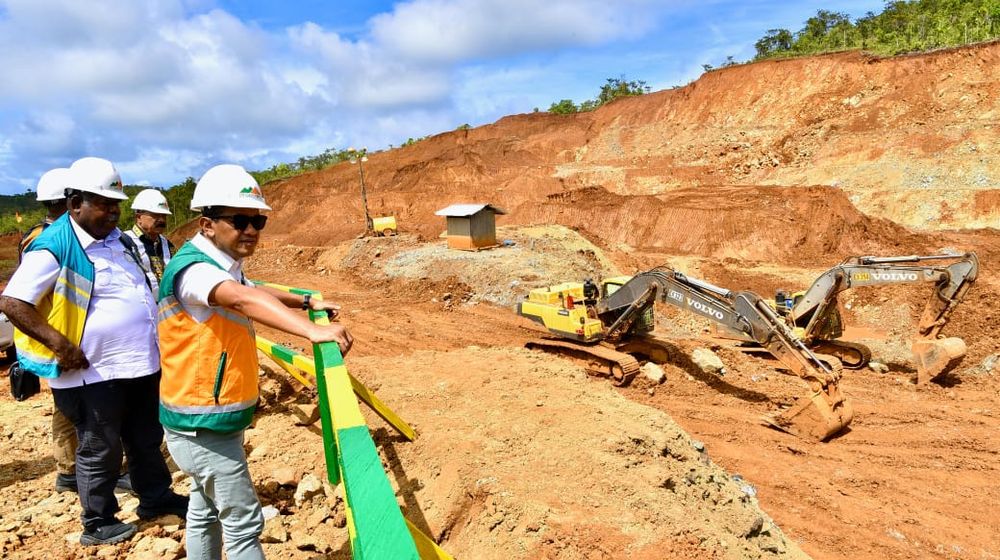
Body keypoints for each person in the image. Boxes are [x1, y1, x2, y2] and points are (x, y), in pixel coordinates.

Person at [158, 164, 352, 559]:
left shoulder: (215, 262)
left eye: (258, 221)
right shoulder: (193, 270)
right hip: (200, 423)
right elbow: (242, 299)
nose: (251, 230)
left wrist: (307, 301)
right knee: (243, 523)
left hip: (202, 419)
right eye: (240, 220)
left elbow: (253, 288)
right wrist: (311, 330)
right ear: (207, 224)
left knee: (204, 509)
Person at [0, 157, 188, 546]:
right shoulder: (53, 245)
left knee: (144, 437)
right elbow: (13, 302)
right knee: (100, 445)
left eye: (116, 204)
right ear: (74, 204)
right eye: (104, 203)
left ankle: (154, 498)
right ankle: (98, 520)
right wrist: (59, 344)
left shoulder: (120, 240)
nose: (113, 212)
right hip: (91, 371)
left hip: (138, 365)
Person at [123, 189, 175, 296]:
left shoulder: (167, 244)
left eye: (164, 215)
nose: (162, 220)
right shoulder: (124, 242)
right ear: (138, 218)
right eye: (155, 215)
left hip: (167, 308)